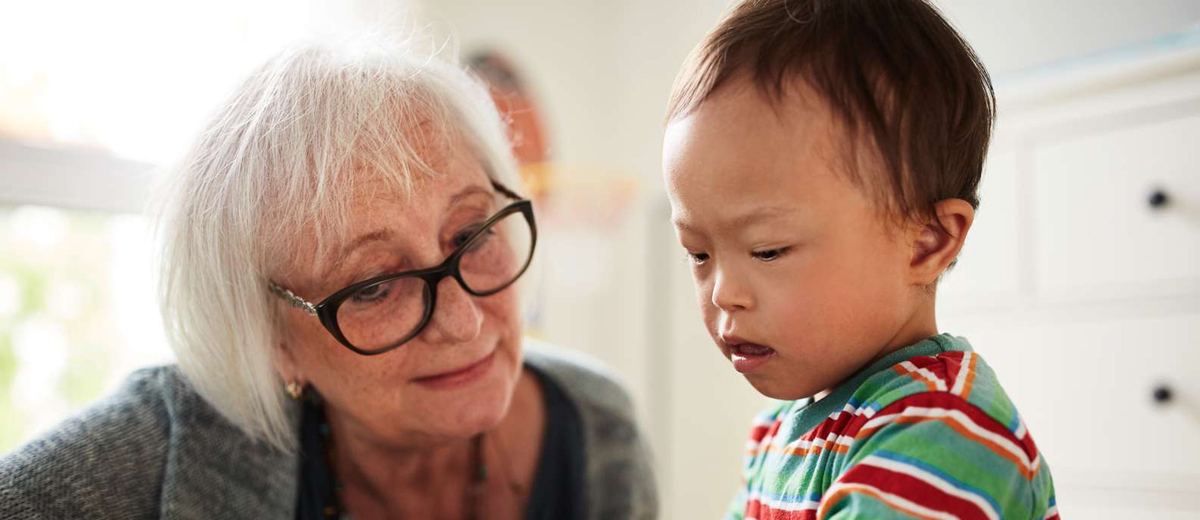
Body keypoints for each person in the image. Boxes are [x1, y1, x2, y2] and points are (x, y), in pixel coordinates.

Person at [0, 36, 657, 520]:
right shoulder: (144, 464)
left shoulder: (598, 427)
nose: (463, 320)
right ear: (269, 337)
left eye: (473, 234)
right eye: (374, 285)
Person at [661, 1, 1057, 518]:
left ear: (927, 241)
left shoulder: (942, 432)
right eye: (699, 253)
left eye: (768, 250)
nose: (722, 293)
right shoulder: (778, 431)